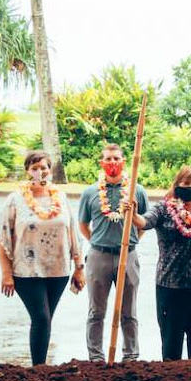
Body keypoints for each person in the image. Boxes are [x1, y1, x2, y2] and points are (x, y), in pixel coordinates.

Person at [0, 151, 84, 366]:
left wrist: (79, 267)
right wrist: (6, 274)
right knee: (41, 318)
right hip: (26, 271)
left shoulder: (60, 197)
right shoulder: (15, 199)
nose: (40, 172)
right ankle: (39, 369)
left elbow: (73, 232)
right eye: (35, 168)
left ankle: (41, 369)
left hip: (58, 270)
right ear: (27, 171)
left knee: (46, 320)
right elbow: (2, 237)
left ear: (50, 170)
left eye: (44, 167)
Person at [131, 166, 191, 361]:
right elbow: (144, 222)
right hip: (170, 285)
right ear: (176, 184)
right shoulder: (163, 209)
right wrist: (133, 215)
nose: (188, 187)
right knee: (171, 342)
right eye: (185, 183)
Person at [78, 144, 149, 363]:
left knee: (129, 311)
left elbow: (144, 223)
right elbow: (83, 224)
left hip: (128, 255)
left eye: (116, 158)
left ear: (124, 161)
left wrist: (131, 242)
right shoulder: (90, 192)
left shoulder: (137, 190)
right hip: (99, 256)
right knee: (96, 311)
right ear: (102, 163)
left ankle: (130, 356)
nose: (112, 163)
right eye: (108, 159)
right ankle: (96, 357)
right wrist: (97, 243)